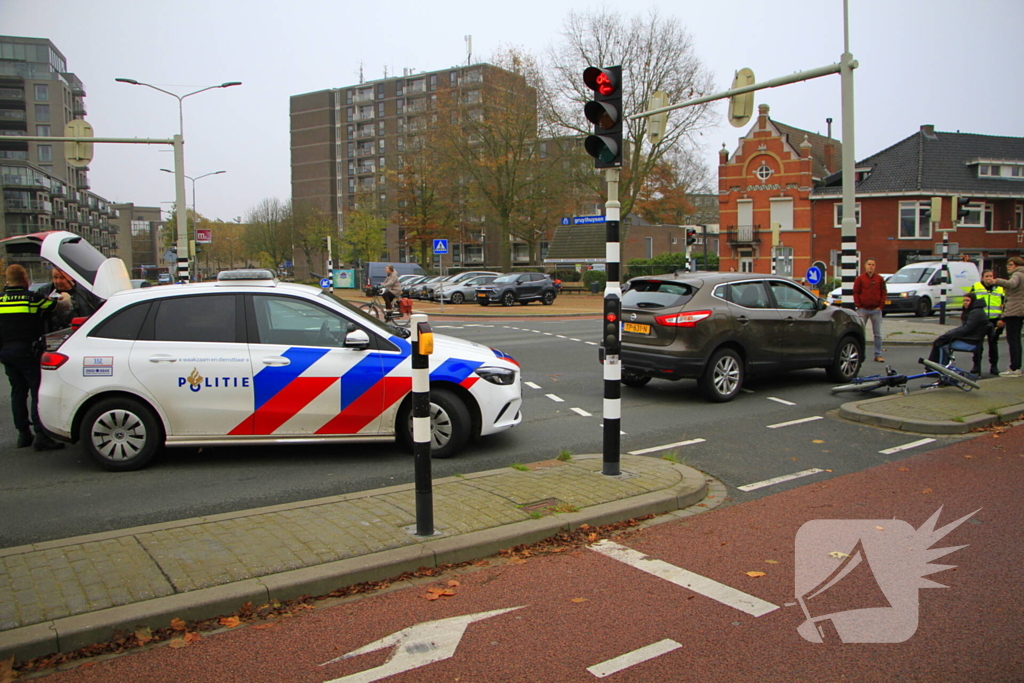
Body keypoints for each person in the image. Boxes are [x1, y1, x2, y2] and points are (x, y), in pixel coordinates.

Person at [0, 265, 63, 450]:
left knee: (18, 392)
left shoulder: (1, 300)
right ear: (25, 279)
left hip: (7, 352)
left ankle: (23, 434)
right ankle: (41, 435)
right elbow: (54, 305)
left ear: (8, 280)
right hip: (27, 351)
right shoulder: (33, 299)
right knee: (37, 391)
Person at [926, 292, 989, 367]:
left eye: (967, 301)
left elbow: (966, 329)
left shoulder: (975, 313)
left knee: (942, 344)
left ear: (973, 301)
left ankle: (940, 368)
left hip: (971, 341)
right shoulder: (974, 311)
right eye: (964, 301)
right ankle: (936, 366)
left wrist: (950, 334)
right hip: (970, 338)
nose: (965, 303)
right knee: (941, 340)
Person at [38, 266, 103, 332]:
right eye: (55, 277)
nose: (58, 281)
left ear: (71, 276)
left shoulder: (87, 293)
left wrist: (70, 303)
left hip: (78, 333)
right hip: (50, 336)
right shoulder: (44, 291)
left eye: (62, 278)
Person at [966, 270, 1005, 376]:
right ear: (982, 278)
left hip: (995, 321)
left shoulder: (1000, 288)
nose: (989, 278)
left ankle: (994, 366)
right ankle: (976, 366)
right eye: (987, 276)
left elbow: (1005, 304)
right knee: (978, 343)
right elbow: (969, 302)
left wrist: (1002, 319)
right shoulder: (976, 287)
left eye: (991, 276)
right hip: (980, 320)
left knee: (993, 343)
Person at [993, 256, 1024, 377]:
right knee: (1016, 339)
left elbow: (1011, 284)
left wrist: (997, 281)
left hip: (1014, 311)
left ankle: (1014, 367)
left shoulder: (1017, 274)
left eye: (1010, 265)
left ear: (1017, 265)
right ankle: (1016, 366)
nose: (1008, 267)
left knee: (1012, 339)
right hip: (1020, 310)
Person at [854, 258, 887, 362]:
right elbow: (856, 292)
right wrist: (859, 306)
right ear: (865, 265)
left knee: (877, 334)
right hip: (863, 310)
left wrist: (880, 306)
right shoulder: (860, 279)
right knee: (860, 333)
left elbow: (884, 292)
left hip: (876, 310)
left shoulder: (879, 279)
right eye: (869, 264)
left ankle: (878, 354)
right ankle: (860, 354)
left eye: (873, 264)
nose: (871, 266)